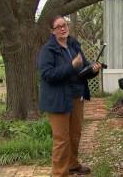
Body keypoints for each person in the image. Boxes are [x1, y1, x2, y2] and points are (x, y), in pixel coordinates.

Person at [38, 15, 102, 177]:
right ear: (52, 31)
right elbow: (47, 75)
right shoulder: (48, 50)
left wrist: (93, 70)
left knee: (75, 134)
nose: (63, 28)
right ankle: (60, 173)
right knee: (61, 139)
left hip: (76, 97)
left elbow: (84, 70)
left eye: (64, 24)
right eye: (58, 26)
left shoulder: (74, 46)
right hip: (58, 100)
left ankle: (72, 165)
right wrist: (71, 66)